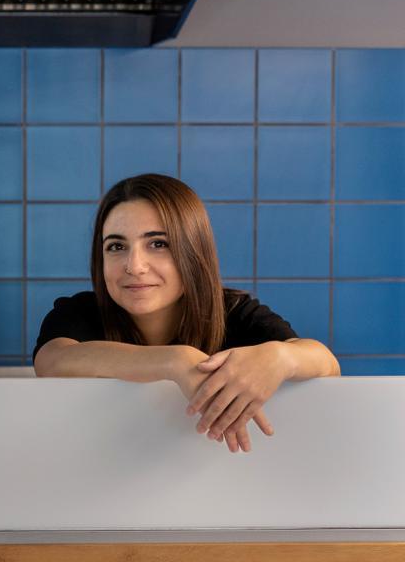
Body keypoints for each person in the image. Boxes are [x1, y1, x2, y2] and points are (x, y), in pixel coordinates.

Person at [33, 174, 339, 453]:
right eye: (116, 246)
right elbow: (52, 360)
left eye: (158, 243)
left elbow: (327, 364)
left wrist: (279, 357)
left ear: (193, 250)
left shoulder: (231, 311)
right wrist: (177, 360)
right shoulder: (83, 310)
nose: (134, 266)